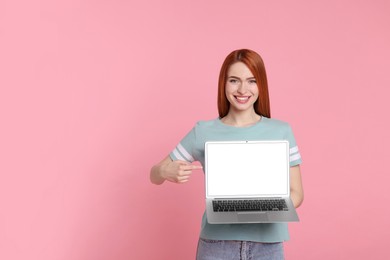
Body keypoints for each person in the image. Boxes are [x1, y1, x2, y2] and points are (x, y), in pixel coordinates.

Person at [150, 49, 304, 260]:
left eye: (251, 81)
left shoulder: (281, 131)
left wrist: (264, 207)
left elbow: (297, 193)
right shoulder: (203, 131)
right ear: (224, 83)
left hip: (267, 245)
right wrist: (166, 170)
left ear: (261, 85)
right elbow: (154, 175)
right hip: (216, 246)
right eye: (234, 80)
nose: (242, 89)